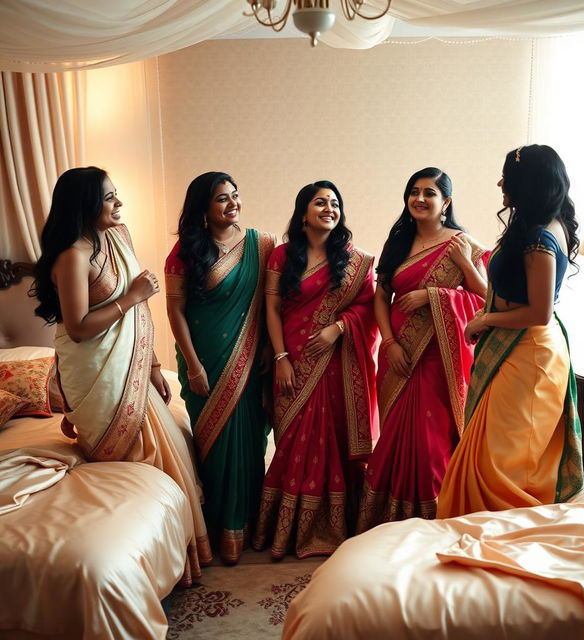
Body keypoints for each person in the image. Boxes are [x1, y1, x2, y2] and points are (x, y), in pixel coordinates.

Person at [33, 166, 212, 586]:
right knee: (133, 454)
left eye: (116, 195)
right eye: (109, 198)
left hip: (129, 366)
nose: (118, 203)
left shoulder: (117, 237)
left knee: (170, 447)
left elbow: (141, 315)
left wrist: (150, 365)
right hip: (97, 373)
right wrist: (131, 296)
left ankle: (180, 550)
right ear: (85, 204)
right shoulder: (72, 256)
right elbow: (77, 327)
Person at [437, 144, 584, 518]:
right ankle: (478, 525)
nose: (501, 182)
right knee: (492, 446)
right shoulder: (536, 227)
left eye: (509, 176)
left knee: (503, 457)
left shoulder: (540, 238)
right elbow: (507, 294)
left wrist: (485, 320)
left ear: (529, 182)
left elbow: (538, 312)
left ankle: (504, 532)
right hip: (521, 347)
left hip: (531, 352)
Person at [357, 167, 490, 532]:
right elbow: (380, 298)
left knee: (430, 447)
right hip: (398, 353)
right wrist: (389, 342)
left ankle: (433, 527)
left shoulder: (463, 244)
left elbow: (485, 301)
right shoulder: (399, 240)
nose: (419, 198)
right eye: (413, 191)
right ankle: (386, 526)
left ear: (445, 201)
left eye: (429, 192)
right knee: (393, 441)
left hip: (439, 359)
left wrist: (437, 293)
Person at [252, 180, 378, 559]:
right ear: (303, 212)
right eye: (320, 202)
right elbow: (271, 309)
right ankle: (289, 532)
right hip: (291, 361)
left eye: (335, 203)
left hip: (335, 363)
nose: (329, 208)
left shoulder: (355, 261)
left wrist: (337, 328)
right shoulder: (281, 256)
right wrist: (280, 358)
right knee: (292, 441)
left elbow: (369, 307)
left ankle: (334, 528)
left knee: (333, 441)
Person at [164, 171, 275, 564]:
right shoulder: (185, 252)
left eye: (235, 195)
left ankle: (247, 523)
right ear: (203, 209)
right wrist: (193, 367)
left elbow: (270, 303)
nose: (233, 204)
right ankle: (220, 529)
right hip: (204, 361)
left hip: (250, 357)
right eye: (221, 199)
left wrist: (268, 348)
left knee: (249, 438)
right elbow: (175, 312)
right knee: (214, 444)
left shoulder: (261, 245)